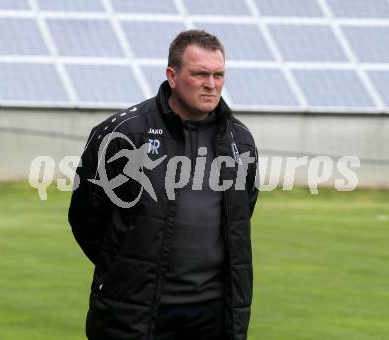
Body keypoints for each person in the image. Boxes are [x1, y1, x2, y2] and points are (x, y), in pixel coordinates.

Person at [68, 29, 259, 340]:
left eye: (218, 75)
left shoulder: (240, 140)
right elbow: (86, 217)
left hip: (214, 312)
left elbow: (241, 212)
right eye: (199, 74)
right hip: (138, 308)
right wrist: (126, 268)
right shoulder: (124, 133)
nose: (211, 84)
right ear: (172, 75)